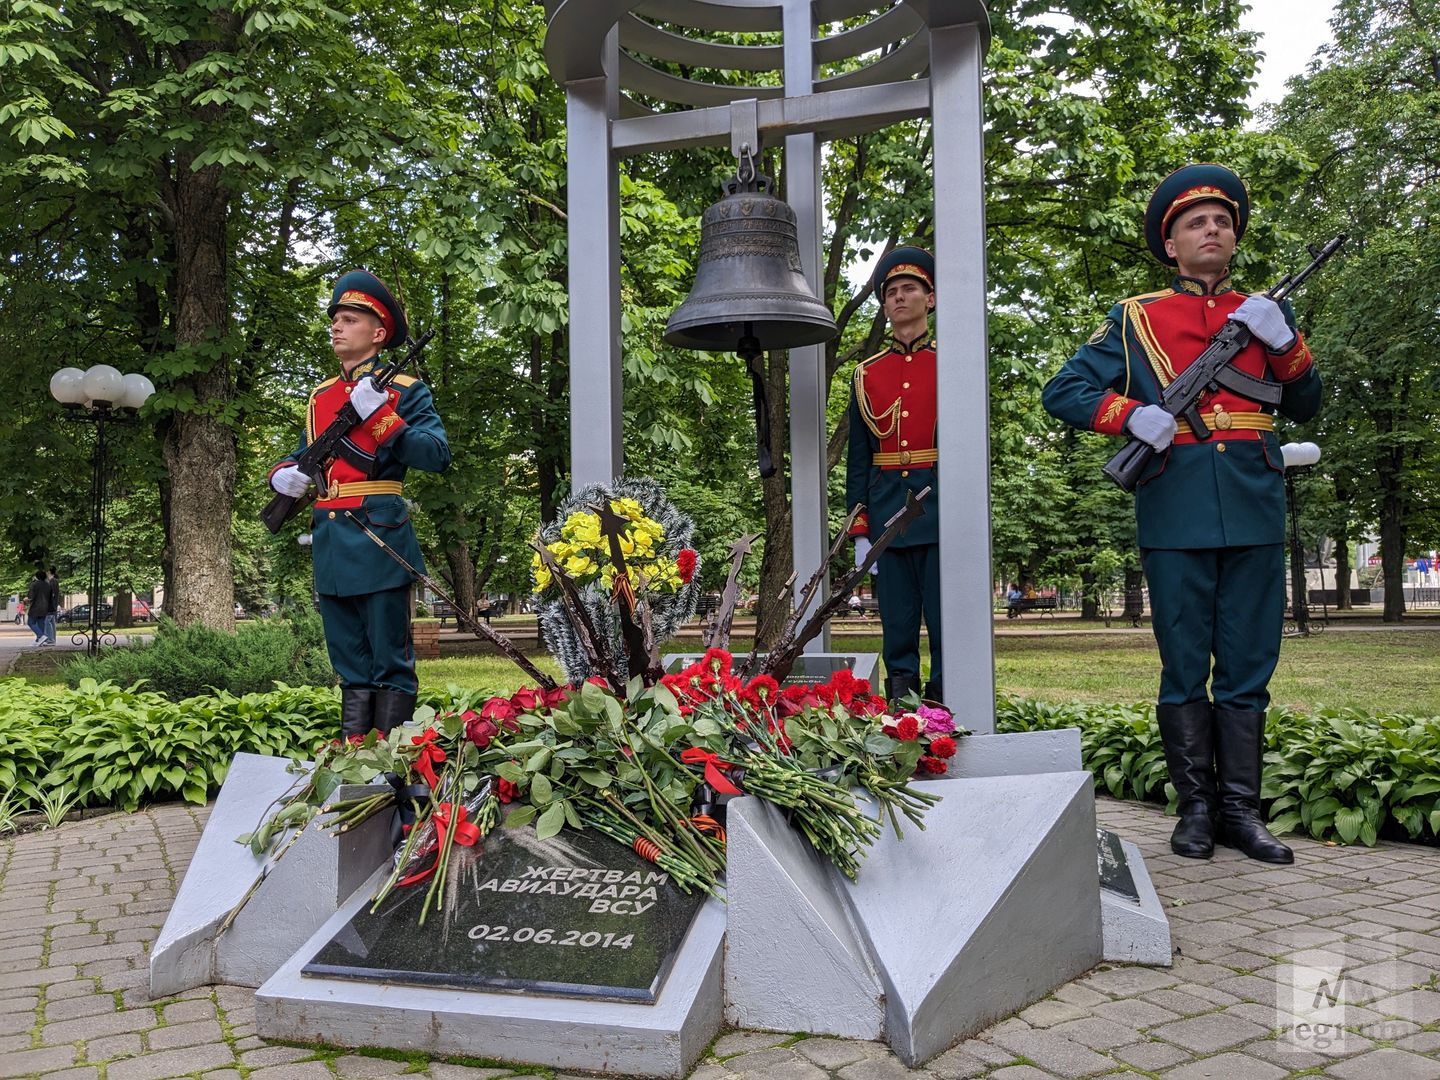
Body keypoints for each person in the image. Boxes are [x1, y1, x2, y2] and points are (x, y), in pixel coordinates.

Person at [1043, 164, 1320, 865]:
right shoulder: (1136, 317)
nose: (1212, 230)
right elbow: (1065, 389)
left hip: (1254, 503)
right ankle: (1195, 808)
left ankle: (1240, 812)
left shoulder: (1264, 315)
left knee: (1250, 664)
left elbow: (1308, 403)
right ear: (1171, 245)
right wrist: (1130, 413)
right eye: (1196, 223)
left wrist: (1284, 343)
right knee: (1184, 664)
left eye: (1222, 221)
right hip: (1176, 505)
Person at [268, 270, 451, 738]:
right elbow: (305, 450)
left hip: (378, 535)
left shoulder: (405, 390)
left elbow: (435, 454)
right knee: (349, 661)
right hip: (331, 535)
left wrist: (383, 418)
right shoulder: (321, 397)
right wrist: (283, 475)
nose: (336, 326)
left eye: (349, 319)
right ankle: (357, 759)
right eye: (335, 319)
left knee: (389, 659)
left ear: (378, 333)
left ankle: (393, 766)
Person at [846, 245, 941, 705]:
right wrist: (860, 530)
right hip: (888, 518)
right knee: (897, 632)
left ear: (932, 298)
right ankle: (903, 718)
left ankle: (947, 714)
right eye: (891, 294)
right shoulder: (866, 374)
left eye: (910, 289)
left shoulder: (951, 364)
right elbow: (859, 460)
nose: (899, 298)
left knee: (946, 628)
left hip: (941, 511)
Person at [26, 570, 50, 646]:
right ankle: (39, 641)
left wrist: (26, 599)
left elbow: (30, 597)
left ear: (36, 577)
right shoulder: (47, 585)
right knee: (41, 623)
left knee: (30, 622)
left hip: (36, 607)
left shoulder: (34, 584)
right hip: (45, 606)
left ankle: (41, 636)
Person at [45, 567, 59, 645]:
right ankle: (53, 639)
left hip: (50, 605)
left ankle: (50, 640)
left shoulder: (52, 581)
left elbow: (51, 594)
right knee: (52, 622)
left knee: (47, 622)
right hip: (53, 605)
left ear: (49, 572)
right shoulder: (54, 581)